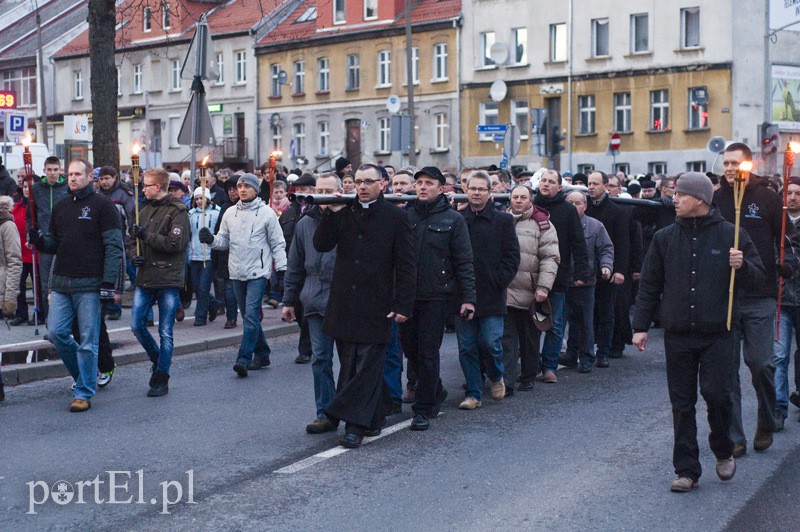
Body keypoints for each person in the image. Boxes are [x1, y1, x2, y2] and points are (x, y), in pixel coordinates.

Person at [632, 172, 765, 492]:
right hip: (677, 334)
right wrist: (639, 326)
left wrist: (742, 265)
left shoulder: (732, 236)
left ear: (700, 201)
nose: (674, 200)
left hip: (719, 333)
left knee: (718, 396)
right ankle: (687, 469)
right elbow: (650, 284)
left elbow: (759, 280)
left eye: (681, 195)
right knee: (681, 403)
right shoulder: (664, 238)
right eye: (675, 194)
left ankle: (722, 448)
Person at [313, 164, 416, 448]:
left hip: (377, 303)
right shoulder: (344, 211)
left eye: (368, 181)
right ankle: (373, 417)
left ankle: (353, 425)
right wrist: (329, 215)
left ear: (382, 184)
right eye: (357, 182)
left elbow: (406, 265)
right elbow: (321, 244)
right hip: (344, 302)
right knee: (348, 363)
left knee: (367, 367)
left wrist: (403, 304)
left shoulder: (396, 217)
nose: (361, 186)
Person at [714, 143, 799, 455]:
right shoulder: (717, 198)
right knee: (726, 371)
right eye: (725, 162)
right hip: (724, 296)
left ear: (747, 165)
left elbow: (787, 239)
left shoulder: (767, 198)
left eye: (735, 162)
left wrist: (787, 263)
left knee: (761, 363)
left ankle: (766, 419)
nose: (729, 168)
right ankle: (735, 436)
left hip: (761, 294)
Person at [29, 159, 123, 412]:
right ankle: (84, 377)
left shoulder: (103, 206)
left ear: (90, 176)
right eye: (69, 174)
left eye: (77, 174)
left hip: (90, 283)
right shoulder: (60, 207)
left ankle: (83, 392)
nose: (72, 178)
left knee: (88, 340)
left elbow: (114, 247)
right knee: (56, 333)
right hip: (61, 282)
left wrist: (108, 283)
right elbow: (54, 245)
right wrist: (39, 241)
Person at [401, 166, 475, 430]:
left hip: (437, 295)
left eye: (428, 183)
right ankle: (436, 388)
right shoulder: (407, 217)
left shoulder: (453, 220)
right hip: (408, 296)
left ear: (441, 188)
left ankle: (424, 408)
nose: (422, 187)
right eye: (418, 182)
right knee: (411, 350)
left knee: (428, 351)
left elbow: (464, 261)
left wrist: (468, 298)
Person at [200, 173, 287, 377]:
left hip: (258, 271)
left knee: (250, 315)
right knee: (250, 317)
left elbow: (277, 243)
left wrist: (281, 269)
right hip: (236, 271)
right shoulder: (230, 213)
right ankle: (263, 353)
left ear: (256, 190)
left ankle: (244, 358)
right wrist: (210, 239)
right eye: (240, 186)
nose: (242, 189)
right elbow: (223, 240)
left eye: (247, 186)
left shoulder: (267, 213)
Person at [457, 170, 520, 409]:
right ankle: (473, 392)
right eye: (472, 188)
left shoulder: (503, 220)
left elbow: (512, 256)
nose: (476, 193)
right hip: (463, 294)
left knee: (490, 342)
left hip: (492, 294)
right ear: (466, 190)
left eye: (481, 189)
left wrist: (497, 280)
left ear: (490, 192)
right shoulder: (458, 219)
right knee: (467, 347)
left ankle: (496, 375)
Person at [283, 173, 341, 434]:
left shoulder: (348, 219)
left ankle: (351, 408)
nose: (324, 195)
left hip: (344, 299)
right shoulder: (305, 223)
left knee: (352, 361)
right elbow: (294, 264)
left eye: (330, 190)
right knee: (320, 358)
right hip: (315, 299)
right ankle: (324, 412)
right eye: (321, 190)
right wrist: (288, 300)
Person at [129, 167, 191, 396]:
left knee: (166, 330)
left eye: (145, 185)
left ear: (157, 187)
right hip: (146, 276)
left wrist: (147, 236)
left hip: (167, 278)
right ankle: (159, 360)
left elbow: (175, 244)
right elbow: (135, 243)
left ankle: (162, 377)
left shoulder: (178, 211)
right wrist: (134, 255)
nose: (142, 188)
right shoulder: (143, 211)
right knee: (136, 325)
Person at [533, 169, 590, 382]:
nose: (546, 184)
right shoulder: (530, 206)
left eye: (551, 181)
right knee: (532, 323)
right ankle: (531, 365)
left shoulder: (567, 210)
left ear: (559, 187)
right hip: (530, 275)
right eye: (543, 181)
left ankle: (549, 366)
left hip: (558, 276)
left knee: (555, 324)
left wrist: (582, 272)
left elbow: (578, 243)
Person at [502, 185, 559, 390]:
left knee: (530, 340)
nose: (518, 200)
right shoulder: (501, 220)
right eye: (514, 197)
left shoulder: (543, 224)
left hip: (531, 294)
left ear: (530, 200)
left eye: (522, 197)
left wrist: (544, 287)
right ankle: (506, 382)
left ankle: (527, 377)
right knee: (506, 341)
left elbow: (550, 257)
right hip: (505, 291)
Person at [560, 190, 614, 373]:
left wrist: (606, 266)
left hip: (585, 281)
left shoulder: (595, 226)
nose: (574, 207)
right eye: (570, 203)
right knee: (561, 321)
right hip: (561, 280)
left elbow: (606, 248)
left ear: (585, 205)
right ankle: (569, 355)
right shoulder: (558, 223)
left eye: (578, 203)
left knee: (584, 322)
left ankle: (586, 357)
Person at [586, 171, 630, 368]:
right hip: (586, 270)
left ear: (606, 186)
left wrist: (619, 270)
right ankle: (586, 349)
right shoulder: (584, 208)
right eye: (589, 183)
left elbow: (622, 244)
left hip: (607, 270)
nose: (591, 187)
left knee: (606, 312)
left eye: (596, 183)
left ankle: (603, 351)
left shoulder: (617, 211)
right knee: (586, 313)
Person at [30, 156, 70, 325]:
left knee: (62, 280)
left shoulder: (67, 187)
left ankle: (64, 319)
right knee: (46, 283)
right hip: (45, 241)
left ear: (60, 170)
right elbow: (30, 216)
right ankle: (49, 319)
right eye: (49, 170)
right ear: (44, 170)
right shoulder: (37, 189)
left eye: (56, 169)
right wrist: (30, 235)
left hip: (64, 240)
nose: (53, 173)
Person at [280, 173, 315, 361]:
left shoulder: (317, 210)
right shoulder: (289, 212)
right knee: (298, 308)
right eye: (298, 190)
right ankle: (309, 342)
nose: (300, 193)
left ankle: (306, 349)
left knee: (308, 309)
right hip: (293, 265)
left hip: (312, 267)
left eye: (304, 190)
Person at [774, 176, 800, 422]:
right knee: (779, 354)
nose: (792, 197)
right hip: (781, 298)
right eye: (788, 193)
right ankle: (779, 406)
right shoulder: (777, 222)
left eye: (798, 193)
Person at [188, 187, 221, 326]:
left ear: (208, 198)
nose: (199, 201)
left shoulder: (216, 212)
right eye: (197, 199)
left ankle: (200, 317)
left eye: (201, 198)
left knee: (203, 287)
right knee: (196, 287)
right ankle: (214, 304)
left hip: (209, 255)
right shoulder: (191, 214)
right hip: (195, 255)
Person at [10, 180, 37, 326]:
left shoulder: (37, 206)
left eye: (30, 187)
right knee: (19, 285)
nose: (27, 189)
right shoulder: (18, 207)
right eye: (25, 187)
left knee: (37, 287)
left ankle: (40, 313)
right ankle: (21, 313)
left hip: (35, 254)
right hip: (20, 253)